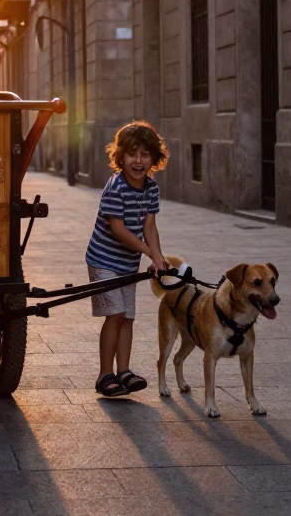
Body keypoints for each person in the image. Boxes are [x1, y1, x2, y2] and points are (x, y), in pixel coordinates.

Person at [86, 121, 169, 397]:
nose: (138, 160)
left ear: (154, 159)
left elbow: (149, 226)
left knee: (128, 318)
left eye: (145, 155)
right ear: (120, 156)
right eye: (132, 154)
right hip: (104, 260)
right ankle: (104, 375)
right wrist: (149, 253)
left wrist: (158, 257)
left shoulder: (151, 188)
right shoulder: (116, 187)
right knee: (116, 314)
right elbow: (118, 229)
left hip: (127, 264)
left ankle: (124, 371)